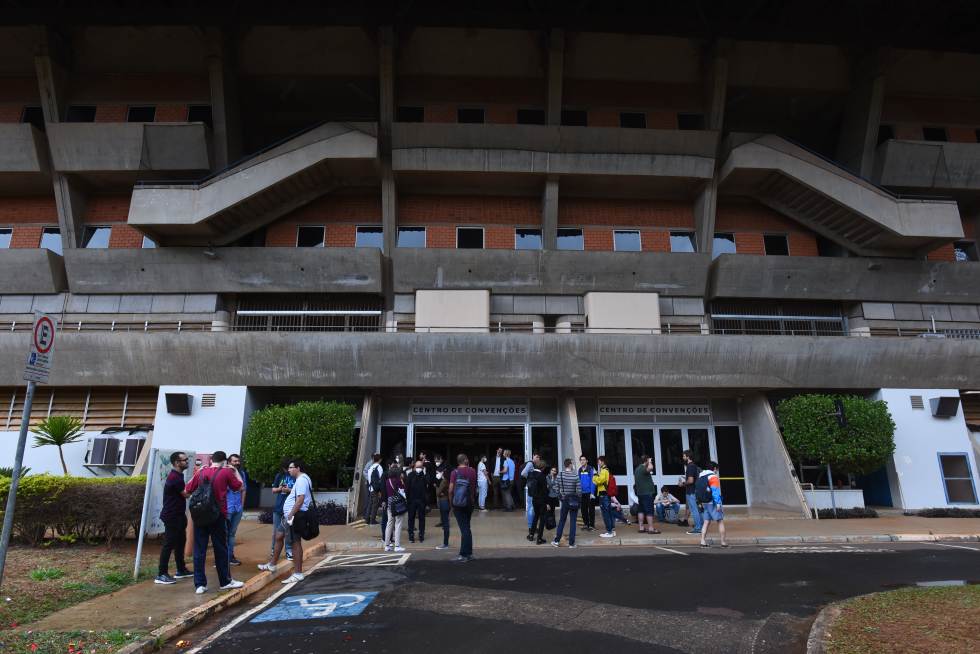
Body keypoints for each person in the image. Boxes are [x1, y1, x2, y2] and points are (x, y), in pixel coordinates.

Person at [182, 450, 244, 594]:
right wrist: (235, 471)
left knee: (200, 549)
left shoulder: (202, 472)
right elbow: (239, 486)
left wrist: (199, 472)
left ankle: (200, 585)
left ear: (211, 460)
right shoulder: (227, 472)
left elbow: (187, 490)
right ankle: (225, 581)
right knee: (221, 548)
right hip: (218, 515)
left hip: (200, 515)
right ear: (224, 462)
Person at [156, 451, 193, 585]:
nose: (187, 462)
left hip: (178, 515)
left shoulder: (178, 475)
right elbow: (186, 494)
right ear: (177, 462)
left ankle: (181, 569)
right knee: (168, 544)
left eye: (187, 459)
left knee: (180, 542)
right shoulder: (175, 478)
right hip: (172, 516)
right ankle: (161, 574)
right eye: (184, 460)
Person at [280, 459, 313, 582]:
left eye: (291, 467)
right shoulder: (303, 479)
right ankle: (297, 572)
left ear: (298, 468)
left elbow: (300, 499)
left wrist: (290, 515)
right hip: (296, 515)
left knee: (295, 543)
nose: (288, 470)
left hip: (296, 516)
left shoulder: (301, 481)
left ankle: (298, 573)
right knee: (293, 541)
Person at [264, 458, 294, 567]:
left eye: (289, 468)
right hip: (278, 508)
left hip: (290, 509)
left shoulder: (296, 477)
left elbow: (298, 492)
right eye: (286, 468)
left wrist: (289, 490)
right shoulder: (279, 476)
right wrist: (280, 489)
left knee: (288, 532)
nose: (288, 470)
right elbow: (273, 490)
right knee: (276, 532)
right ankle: (273, 550)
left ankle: (289, 550)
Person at [449, 453, 477, 562]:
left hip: (458, 504)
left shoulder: (454, 473)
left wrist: (451, 503)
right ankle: (469, 553)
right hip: (469, 503)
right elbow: (474, 487)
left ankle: (463, 555)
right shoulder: (473, 471)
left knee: (464, 529)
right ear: (465, 460)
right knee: (467, 528)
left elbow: (451, 490)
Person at [552, 458, 581, 548]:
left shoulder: (560, 475)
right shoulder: (575, 475)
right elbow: (579, 490)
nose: (572, 465)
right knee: (573, 521)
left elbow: (556, 487)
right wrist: (578, 499)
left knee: (562, 520)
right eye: (572, 464)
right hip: (573, 500)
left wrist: (560, 496)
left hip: (565, 499)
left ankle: (557, 541)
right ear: (570, 465)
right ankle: (571, 543)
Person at [225, 453, 247, 566]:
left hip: (237, 508)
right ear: (229, 462)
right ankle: (222, 557)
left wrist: (242, 506)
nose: (237, 463)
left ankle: (230, 556)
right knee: (224, 533)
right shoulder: (224, 473)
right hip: (227, 508)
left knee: (232, 534)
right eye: (234, 461)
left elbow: (243, 489)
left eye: (238, 461)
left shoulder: (242, 474)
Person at [699, 461, 728, 548]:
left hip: (704, 502)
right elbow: (715, 491)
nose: (716, 472)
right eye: (716, 470)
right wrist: (718, 503)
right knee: (720, 521)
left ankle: (702, 541)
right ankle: (723, 542)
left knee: (706, 522)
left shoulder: (701, 476)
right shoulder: (713, 477)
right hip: (713, 503)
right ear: (714, 468)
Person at [633, 454, 660, 534]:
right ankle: (651, 528)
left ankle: (641, 527)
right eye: (648, 460)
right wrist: (650, 461)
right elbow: (651, 468)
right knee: (649, 511)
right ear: (646, 461)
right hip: (647, 493)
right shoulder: (643, 468)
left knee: (641, 510)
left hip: (640, 493)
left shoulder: (637, 469)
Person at [383, 462, 407, 553]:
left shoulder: (387, 481)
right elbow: (403, 490)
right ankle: (397, 546)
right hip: (398, 504)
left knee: (389, 524)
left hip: (390, 503)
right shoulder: (398, 480)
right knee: (398, 524)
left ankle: (387, 545)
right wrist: (402, 481)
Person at [405, 458, 430, 543]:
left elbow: (428, 486)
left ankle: (421, 535)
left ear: (422, 467)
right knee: (411, 518)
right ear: (414, 467)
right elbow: (407, 489)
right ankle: (411, 535)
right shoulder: (410, 475)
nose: (419, 468)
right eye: (417, 466)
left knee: (422, 518)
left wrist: (423, 473)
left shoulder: (424, 475)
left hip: (421, 501)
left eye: (420, 466)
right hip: (412, 501)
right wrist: (407, 500)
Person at [526, 460, 550, 544]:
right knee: (542, 519)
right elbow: (545, 491)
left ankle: (531, 535)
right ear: (543, 468)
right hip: (541, 500)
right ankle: (539, 538)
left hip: (534, 499)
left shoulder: (531, 474)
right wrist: (547, 503)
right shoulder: (542, 476)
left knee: (535, 517)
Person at [592, 456, 615, 538]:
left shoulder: (603, 470)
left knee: (605, 513)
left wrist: (594, 475)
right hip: (606, 494)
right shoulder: (606, 470)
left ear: (602, 462)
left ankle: (609, 531)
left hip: (603, 494)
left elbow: (599, 481)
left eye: (599, 462)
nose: (598, 463)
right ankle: (611, 530)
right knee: (608, 512)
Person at [681, 450, 703, 535]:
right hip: (695, 491)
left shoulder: (690, 467)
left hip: (691, 492)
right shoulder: (694, 466)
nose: (683, 458)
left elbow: (690, 480)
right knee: (698, 509)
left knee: (694, 510)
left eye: (684, 456)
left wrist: (683, 483)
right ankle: (701, 526)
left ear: (688, 457)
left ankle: (698, 528)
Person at [521, 453, 541, 530]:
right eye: (537, 457)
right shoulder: (530, 463)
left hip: (532, 488)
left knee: (532, 507)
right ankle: (531, 527)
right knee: (531, 508)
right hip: (531, 488)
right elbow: (523, 473)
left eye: (539, 457)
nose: (538, 458)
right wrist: (530, 477)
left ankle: (532, 526)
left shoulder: (534, 465)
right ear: (533, 456)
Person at [578, 455, 597, 531]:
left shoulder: (591, 469)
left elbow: (594, 481)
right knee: (583, 509)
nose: (582, 461)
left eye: (584, 460)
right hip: (582, 493)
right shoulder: (579, 470)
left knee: (591, 510)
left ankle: (592, 525)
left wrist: (592, 493)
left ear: (587, 461)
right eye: (581, 460)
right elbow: (579, 481)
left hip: (590, 493)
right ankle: (586, 524)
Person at [364, 454, 383, 525]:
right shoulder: (379, 467)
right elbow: (380, 479)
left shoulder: (371, 467)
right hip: (376, 489)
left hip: (371, 488)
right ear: (379, 459)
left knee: (370, 503)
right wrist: (380, 490)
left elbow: (369, 479)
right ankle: (372, 520)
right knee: (375, 505)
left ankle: (367, 519)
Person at [434, 468, 451, 551]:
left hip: (443, 502)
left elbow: (438, 493)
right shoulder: (450, 481)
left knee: (445, 524)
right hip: (448, 502)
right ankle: (446, 542)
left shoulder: (444, 481)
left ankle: (445, 543)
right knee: (446, 522)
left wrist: (438, 489)